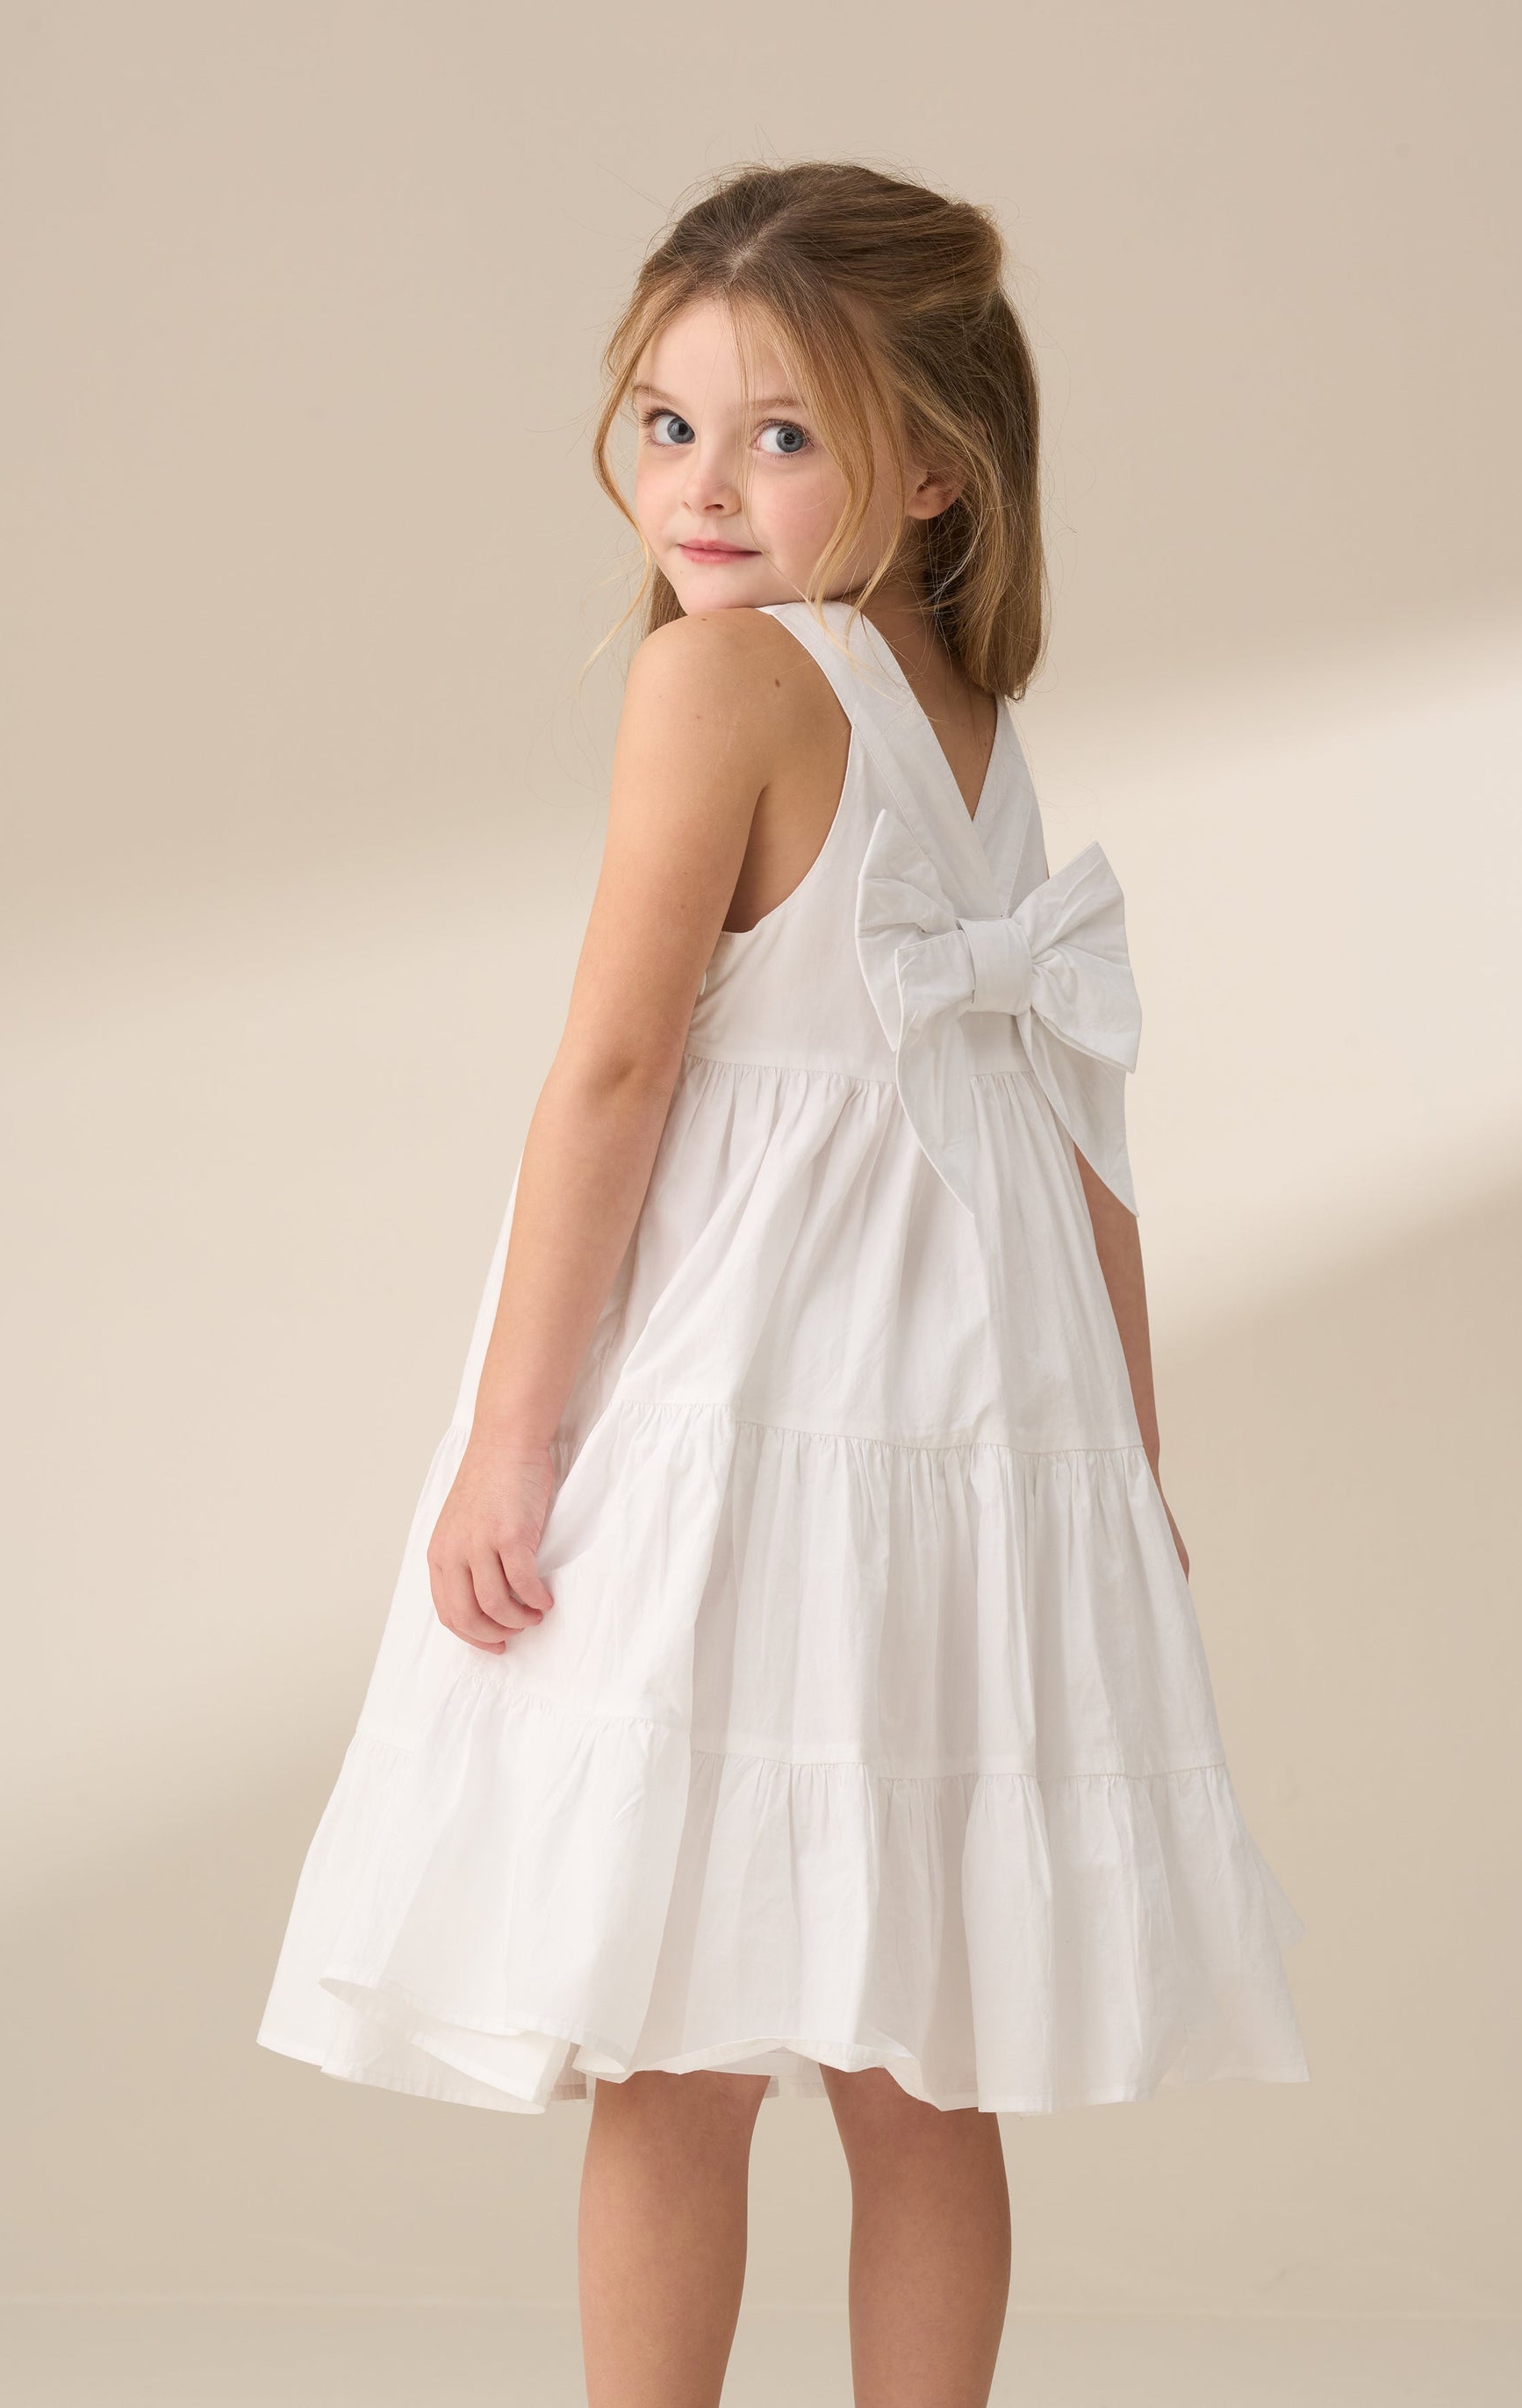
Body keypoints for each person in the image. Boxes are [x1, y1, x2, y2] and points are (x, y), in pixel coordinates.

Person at [258, 157, 1309, 2408]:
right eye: (666, 424)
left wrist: (512, 1443)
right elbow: (1075, 1130)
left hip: (755, 1423)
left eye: (779, 433)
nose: (702, 488)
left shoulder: (720, 682)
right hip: (965, 1435)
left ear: (931, 469)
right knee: (925, 2065)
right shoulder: (966, 718)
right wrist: (1123, 1470)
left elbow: (616, 1072)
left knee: (677, 2046)